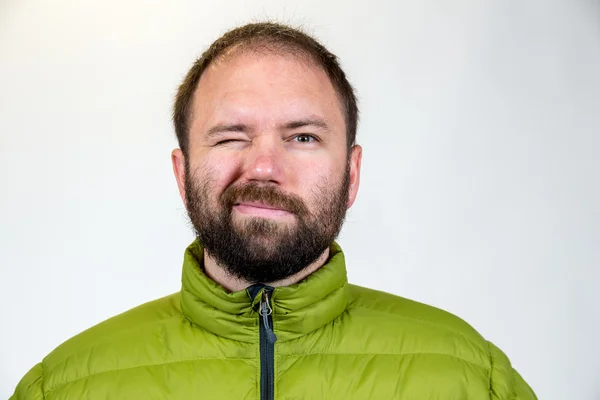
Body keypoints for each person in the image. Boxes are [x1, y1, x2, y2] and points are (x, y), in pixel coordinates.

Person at [10, 22, 537, 399]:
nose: (264, 166)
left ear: (352, 174)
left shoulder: (473, 378)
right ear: (181, 172)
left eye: (303, 137)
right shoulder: (61, 387)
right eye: (230, 137)